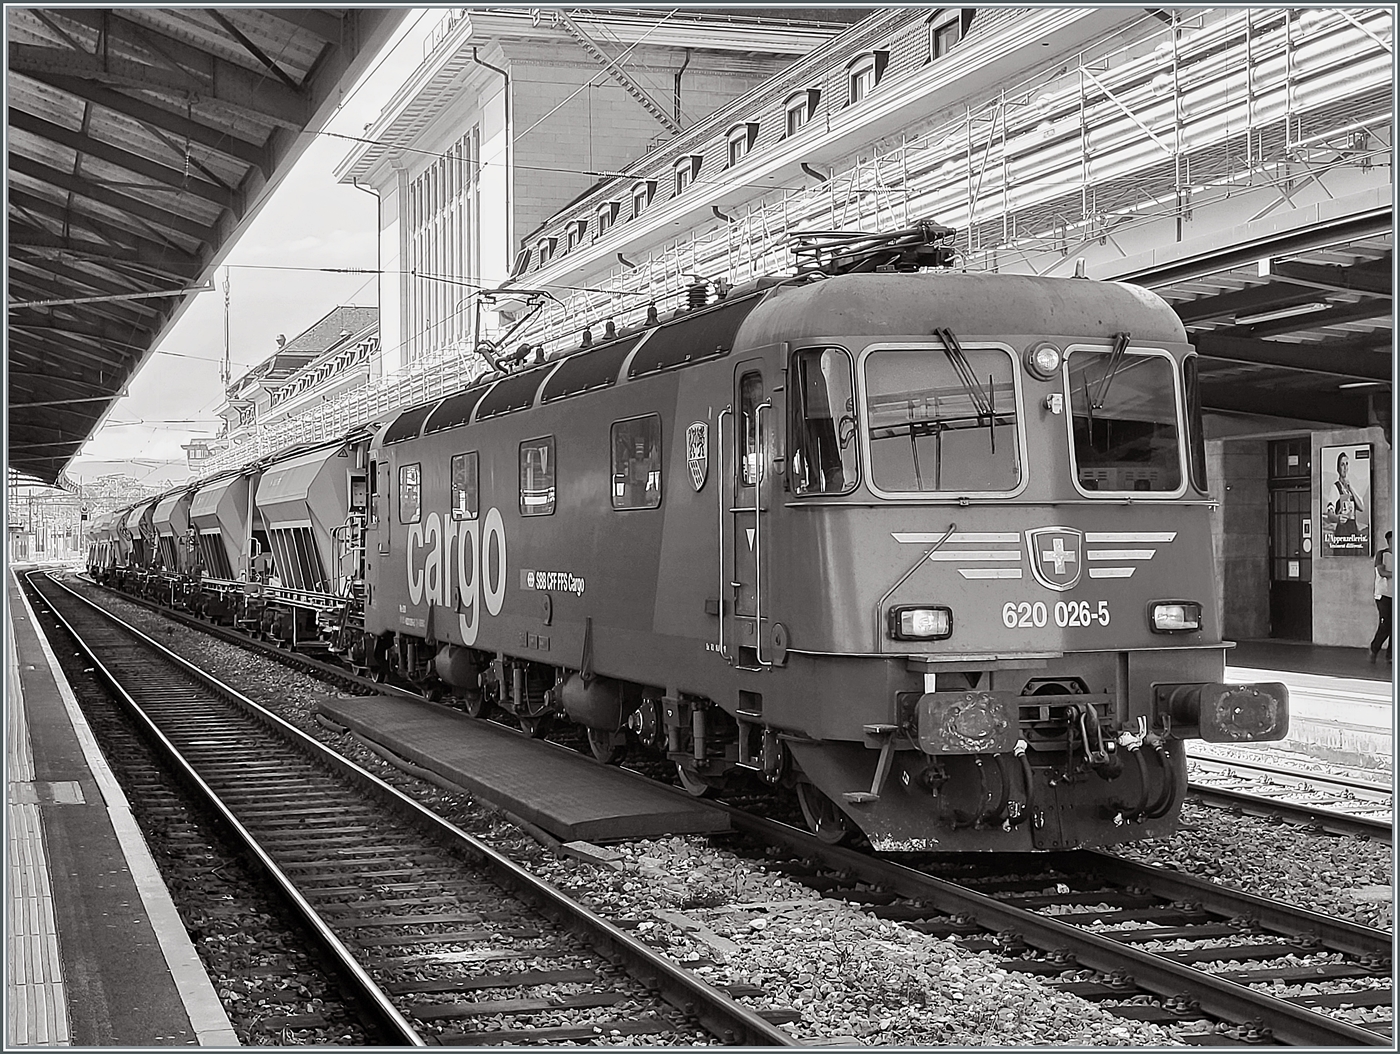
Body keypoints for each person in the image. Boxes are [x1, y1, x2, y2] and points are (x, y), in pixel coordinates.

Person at [1370, 530, 1392, 663]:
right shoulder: (1382, 554)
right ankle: (1374, 648)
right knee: (1386, 624)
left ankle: (1391, 655)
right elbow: (1382, 571)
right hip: (1383, 594)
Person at [1333, 451, 1363, 542]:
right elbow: (1329, 512)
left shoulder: (1351, 487)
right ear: (1338, 468)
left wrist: (1350, 488)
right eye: (1342, 464)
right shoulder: (1335, 487)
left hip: (1353, 527)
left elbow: (1361, 507)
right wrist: (1338, 518)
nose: (1345, 468)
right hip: (1343, 529)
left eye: (1347, 464)